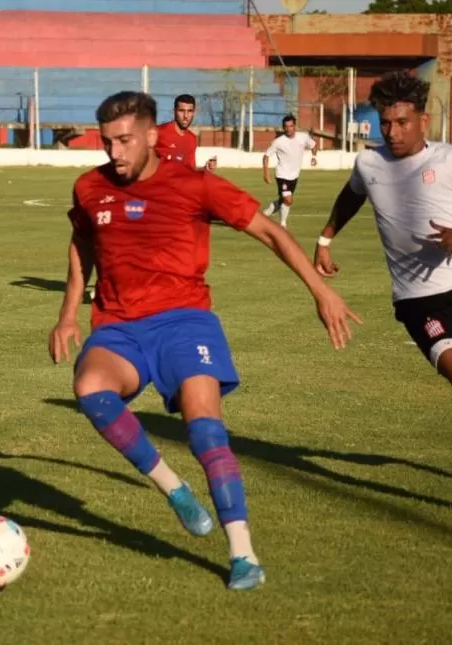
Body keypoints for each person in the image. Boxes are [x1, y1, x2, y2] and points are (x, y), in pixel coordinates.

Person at [49, 91, 361, 590]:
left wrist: (321, 292)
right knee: (90, 391)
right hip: (119, 326)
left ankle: (243, 554)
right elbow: (82, 241)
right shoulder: (89, 187)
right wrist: (68, 313)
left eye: (126, 141)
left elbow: (271, 233)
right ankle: (173, 489)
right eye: (108, 142)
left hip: (185, 322)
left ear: (153, 136)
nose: (116, 153)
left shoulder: (194, 185)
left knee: (205, 432)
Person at [314, 70, 452, 479]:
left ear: (423, 120)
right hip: (418, 299)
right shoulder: (369, 162)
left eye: (402, 122)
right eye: (385, 122)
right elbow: (352, 194)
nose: (392, 131)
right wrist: (326, 237)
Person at [262, 114, 317, 229]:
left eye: (291, 126)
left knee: (283, 200)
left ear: (295, 126)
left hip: (294, 175)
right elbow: (266, 156)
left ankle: (265, 213)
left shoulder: (303, 137)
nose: (289, 129)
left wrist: (314, 157)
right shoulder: (278, 142)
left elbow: (313, 145)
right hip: (282, 174)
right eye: (286, 126)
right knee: (288, 199)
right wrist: (266, 174)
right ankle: (282, 224)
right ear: (283, 128)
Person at [155, 94, 216, 171]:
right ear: (174, 111)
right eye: (181, 111)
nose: (186, 116)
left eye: (189, 111)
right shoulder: (158, 132)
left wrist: (205, 168)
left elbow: (190, 170)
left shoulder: (192, 139)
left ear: (194, 113)